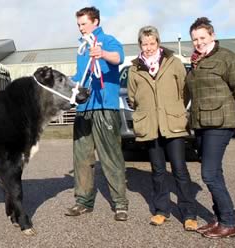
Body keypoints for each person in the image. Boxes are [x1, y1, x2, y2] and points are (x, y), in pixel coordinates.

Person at [127, 26, 198, 231]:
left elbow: (184, 91)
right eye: (144, 43)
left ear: (158, 43)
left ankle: (189, 213)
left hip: (172, 124)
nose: (148, 47)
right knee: (157, 170)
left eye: (152, 43)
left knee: (179, 169)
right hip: (150, 125)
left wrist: (174, 110)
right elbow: (133, 97)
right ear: (140, 45)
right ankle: (161, 210)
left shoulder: (173, 62)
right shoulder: (134, 69)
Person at [186, 17, 235, 238]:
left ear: (212, 36)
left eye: (202, 37)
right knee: (215, 172)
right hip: (202, 123)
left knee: (209, 174)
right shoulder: (196, 61)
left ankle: (230, 223)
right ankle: (221, 218)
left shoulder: (227, 57)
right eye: (195, 39)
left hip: (221, 122)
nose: (198, 42)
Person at [65, 6, 129, 221]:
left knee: (111, 157)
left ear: (96, 22)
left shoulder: (108, 40)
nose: (80, 28)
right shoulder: (81, 47)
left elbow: (118, 58)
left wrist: (102, 53)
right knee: (82, 158)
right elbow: (80, 75)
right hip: (84, 109)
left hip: (104, 107)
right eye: (78, 24)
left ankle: (120, 204)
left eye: (83, 24)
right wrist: (66, 84)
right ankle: (83, 201)